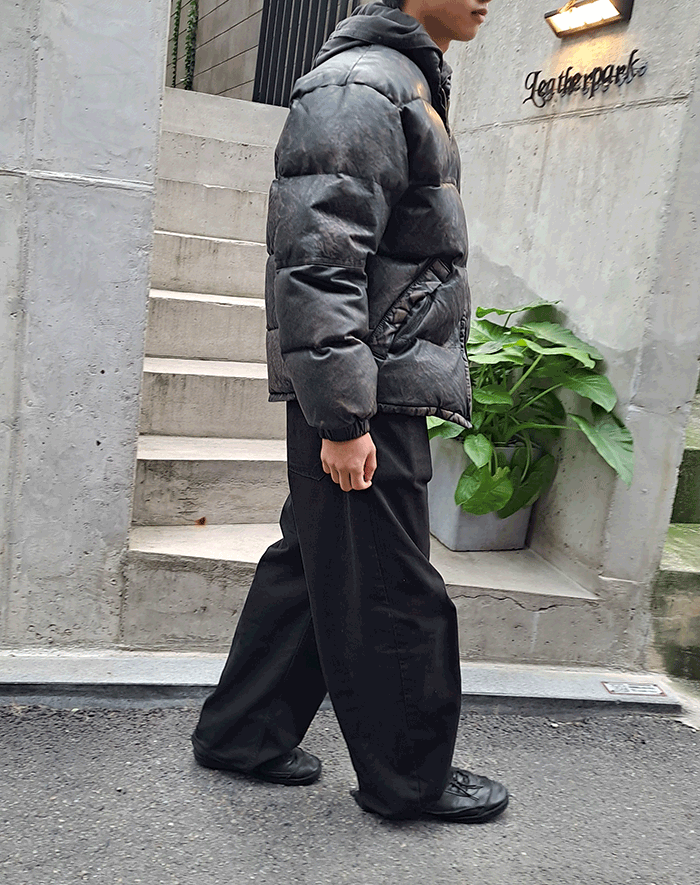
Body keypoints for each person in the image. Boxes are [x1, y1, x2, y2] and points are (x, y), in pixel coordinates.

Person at [191, 0, 508, 823]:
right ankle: (410, 779)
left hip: (370, 376)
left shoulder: (396, 81)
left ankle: (243, 731)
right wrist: (343, 418)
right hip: (369, 388)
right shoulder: (361, 87)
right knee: (393, 588)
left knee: (314, 567)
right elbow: (316, 262)